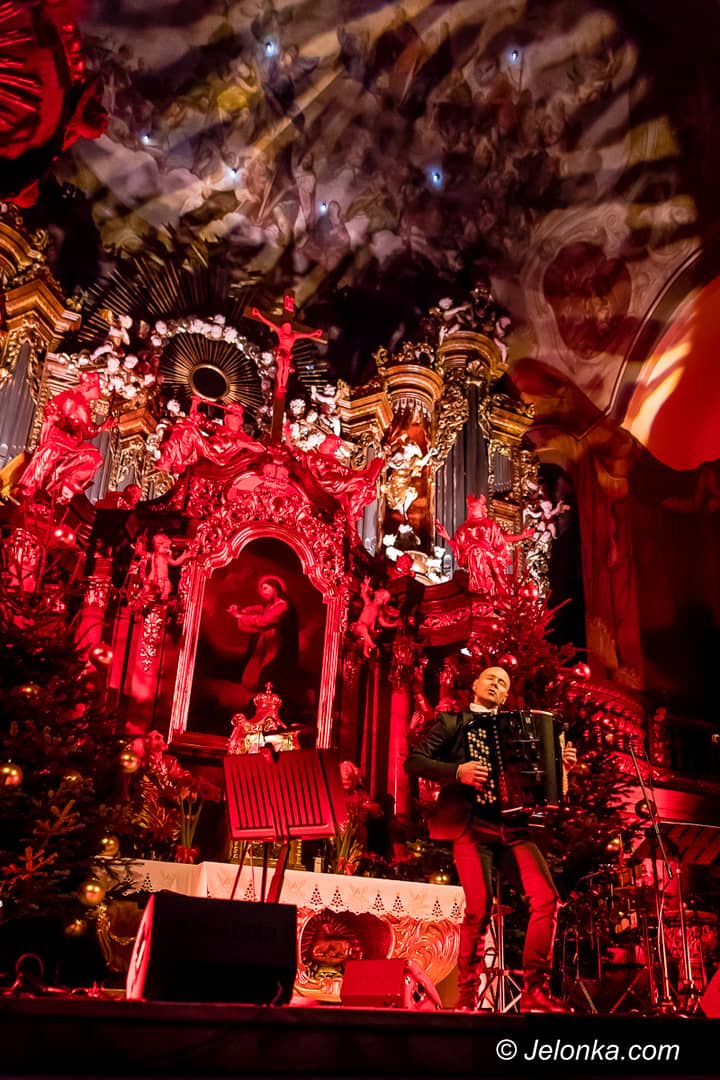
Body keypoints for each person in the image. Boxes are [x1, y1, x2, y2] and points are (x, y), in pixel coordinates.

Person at [404, 665, 576, 1013]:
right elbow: (414, 762)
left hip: (514, 828)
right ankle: (467, 996)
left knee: (546, 899)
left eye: (503, 682)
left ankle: (535, 991)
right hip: (472, 826)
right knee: (479, 908)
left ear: (506, 694)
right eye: (491, 678)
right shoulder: (453, 722)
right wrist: (458, 771)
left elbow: (541, 784)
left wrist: (563, 768)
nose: (496, 684)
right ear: (475, 684)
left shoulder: (520, 727)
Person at [227, 575, 299, 708]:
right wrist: (241, 610)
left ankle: (264, 706)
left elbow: (263, 621)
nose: (263, 592)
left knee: (268, 675)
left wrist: (239, 616)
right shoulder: (272, 605)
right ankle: (259, 702)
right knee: (256, 669)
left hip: (278, 647)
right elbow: (257, 609)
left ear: (275, 588)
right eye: (261, 589)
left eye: (266, 588)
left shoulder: (283, 606)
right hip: (267, 644)